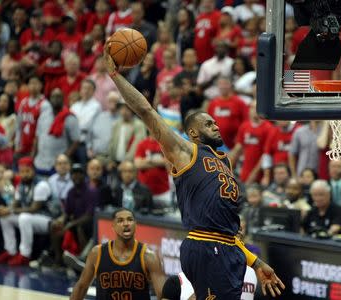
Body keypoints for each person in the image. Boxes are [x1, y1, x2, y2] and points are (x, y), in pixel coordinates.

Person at [104, 45, 284, 299]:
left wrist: (256, 263)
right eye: (208, 123)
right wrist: (116, 77)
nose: (216, 125)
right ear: (193, 133)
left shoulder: (226, 161)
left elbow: (228, 233)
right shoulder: (185, 151)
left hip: (228, 248)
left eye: (215, 121)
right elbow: (146, 111)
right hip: (206, 245)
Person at [70, 208, 166, 299]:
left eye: (130, 220)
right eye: (120, 221)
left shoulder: (149, 257)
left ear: (135, 224)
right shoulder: (97, 253)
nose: (126, 224)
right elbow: (81, 287)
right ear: (113, 226)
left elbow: (163, 295)